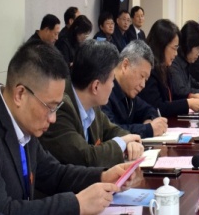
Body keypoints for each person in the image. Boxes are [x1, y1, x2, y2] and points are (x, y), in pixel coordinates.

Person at [0, 43, 129, 214]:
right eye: (50, 107)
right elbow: (1, 210)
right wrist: (77, 204)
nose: (53, 118)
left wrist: (102, 176)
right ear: (20, 94)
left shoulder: (23, 123)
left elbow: (54, 173)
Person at [40, 40, 144, 168]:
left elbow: (112, 130)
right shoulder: (60, 107)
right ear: (95, 86)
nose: (113, 86)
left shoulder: (92, 105)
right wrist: (122, 143)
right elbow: (85, 158)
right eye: (112, 80)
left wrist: (129, 140)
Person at [137, 19, 199, 117]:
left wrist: (190, 96)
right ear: (161, 45)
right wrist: (187, 103)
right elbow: (158, 107)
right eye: (174, 48)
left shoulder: (164, 68)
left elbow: (172, 97)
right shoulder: (148, 70)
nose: (176, 54)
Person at [102, 40, 168, 139]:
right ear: (125, 65)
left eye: (145, 80)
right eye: (141, 76)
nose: (143, 85)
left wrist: (149, 120)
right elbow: (109, 131)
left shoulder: (129, 93)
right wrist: (148, 129)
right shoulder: (104, 91)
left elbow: (149, 110)